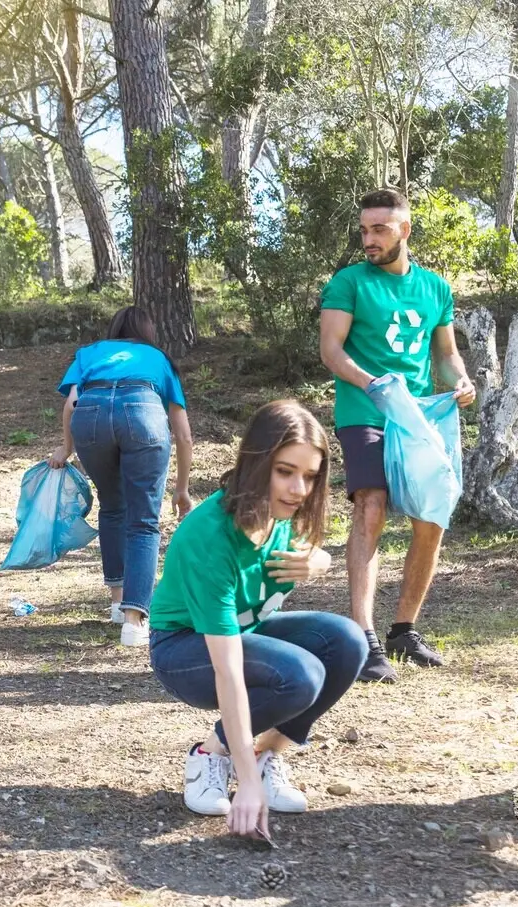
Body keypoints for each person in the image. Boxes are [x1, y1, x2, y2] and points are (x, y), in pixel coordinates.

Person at [148, 401, 367, 838]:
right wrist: (244, 785)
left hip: (247, 635)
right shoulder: (210, 537)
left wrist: (318, 562)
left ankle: (267, 755)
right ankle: (211, 756)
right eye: (285, 471)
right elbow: (228, 671)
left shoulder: (283, 514)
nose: (298, 489)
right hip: (183, 652)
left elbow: (313, 554)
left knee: (348, 641)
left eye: (309, 476)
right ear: (257, 461)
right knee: (300, 675)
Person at [319, 188, 476, 683]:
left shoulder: (435, 288)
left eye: (379, 229)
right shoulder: (348, 283)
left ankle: (403, 630)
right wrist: (372, 383)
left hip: (420, 417)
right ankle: (362, 638)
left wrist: (461, 380)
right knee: (371, 505)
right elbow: (331, 350)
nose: (368, 239)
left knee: (433, 514)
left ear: (404, 230)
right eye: (364, 229)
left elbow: (445, 354)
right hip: (364, 410)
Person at [48, 307, 194, 647]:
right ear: (147, 331)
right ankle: (134, 620)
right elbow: (184, 434)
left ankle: (117, 601)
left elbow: (71, 405)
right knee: (143, 520)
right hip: (142, 411)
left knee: (113, 506)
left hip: (91, 414)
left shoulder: (90, 353)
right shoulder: (158, 358)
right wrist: (182, 490)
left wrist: (66, 448)